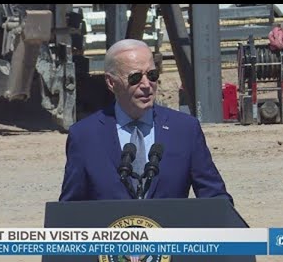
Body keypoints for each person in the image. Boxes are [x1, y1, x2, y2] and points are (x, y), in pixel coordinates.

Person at [59, 39, 233, 204]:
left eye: (152, 75)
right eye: (135, 78)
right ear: (111, 83)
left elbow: (215, 198)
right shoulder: (84, 136)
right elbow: (70, 210)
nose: (146, 84)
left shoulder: (185, 129)